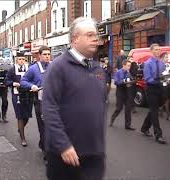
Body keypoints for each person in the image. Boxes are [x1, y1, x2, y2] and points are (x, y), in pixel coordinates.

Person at [42, 17, 106, 180]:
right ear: (74, 39)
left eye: (96, 35)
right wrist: (63, 145)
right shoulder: (58, 67)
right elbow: (49, 109)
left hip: (94, 155)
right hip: (65, 156)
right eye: (90, 35)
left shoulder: (97, 68)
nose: (95, 39)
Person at [20, 46, 51, 157]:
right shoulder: (33, 68)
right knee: (43, 126)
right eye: (45, 54)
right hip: (40, 101)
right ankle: (47, 153)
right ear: (39, 55)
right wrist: (32, 85)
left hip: (53, 101)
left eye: (48, 54)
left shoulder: (54, 66)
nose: (47, 56)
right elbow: (23, 81)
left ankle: (44, 144)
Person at [141, 43, 167, 144]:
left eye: (158, 50)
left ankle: (144, 128)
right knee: (154, 111)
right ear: (151, 51)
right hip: (151, 88)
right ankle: (158, 135)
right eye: (155, 50)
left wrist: (165, 77)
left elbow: (163, 73)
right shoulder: (147, 64)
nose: (157, 51)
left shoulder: (161, 63)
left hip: (159, 86)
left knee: (154, 109)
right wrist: (157, 78)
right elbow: (147, 79)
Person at [5, 53, 33, 146]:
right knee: (20, 115)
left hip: (28, 94)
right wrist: (13, 83)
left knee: (27, 115)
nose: (22, 61)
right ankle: (23, 138)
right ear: (16, 60)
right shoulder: (12, 70)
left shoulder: (29, 69)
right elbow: (6, 81)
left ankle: (20, 129)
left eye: (23, 59)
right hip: (17, 95)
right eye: (20, 59)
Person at [109, 60, 135, 130]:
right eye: (128, 66)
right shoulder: (118, 72)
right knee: (119, 108)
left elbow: (131, 80)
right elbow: (116, 82)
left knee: (128, 109)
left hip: (127, 92)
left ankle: (127, 126)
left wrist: (132, 82)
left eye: (130, 66)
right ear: (124, 65)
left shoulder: (128, 73)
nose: (129, 67)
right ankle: (112, 118)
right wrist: (124, 81)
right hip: (120, 92)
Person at [158, 52, 170, 121]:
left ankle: (161, 109)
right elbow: (159, 76)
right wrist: (165, 77)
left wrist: (169, 75)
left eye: (167, 57)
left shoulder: (168, 64)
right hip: (162, 84)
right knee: (166, 99)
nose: (167, 58)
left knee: (169, 99)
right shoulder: (159, 65)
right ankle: (168, 115)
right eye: (166, 57)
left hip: (169, 83)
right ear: (162, 58)